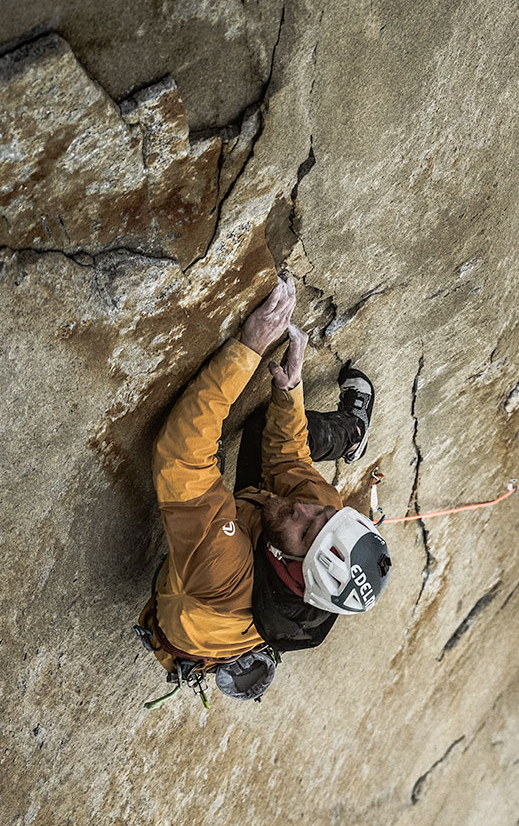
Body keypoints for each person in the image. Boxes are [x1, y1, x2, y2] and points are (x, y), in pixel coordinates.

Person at [136, 274, 390, 703]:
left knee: (212, 467)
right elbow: (289, 460)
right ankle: (353, 432)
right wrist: (289, 392)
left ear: (291, 570)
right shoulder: (322, 520)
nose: (306, 511)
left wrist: (246, 350)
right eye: (326, 515)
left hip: (204, 604)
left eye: (307, 532)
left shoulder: (223, 574)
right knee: (267, 426)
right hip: (253, 554)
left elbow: (182, 458)